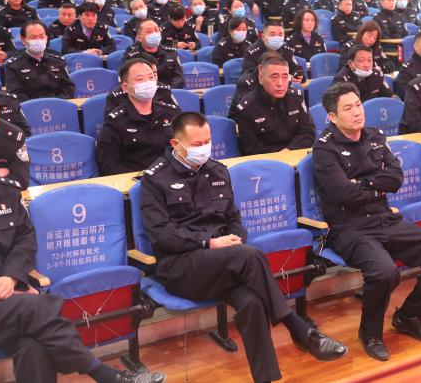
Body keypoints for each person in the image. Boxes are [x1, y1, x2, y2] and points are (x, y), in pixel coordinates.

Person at [0, 125, 164, 383]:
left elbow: (25, 240)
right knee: (39, 310)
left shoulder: (4, 190)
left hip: (12, 301)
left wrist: (11, 278)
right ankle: (106, 376)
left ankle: (109, 378)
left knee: (36, 340)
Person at [140, 112, 346, 382]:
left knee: (252, 302)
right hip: (182, 267)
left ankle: (266, 377)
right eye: (197, 144)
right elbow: (160, 235)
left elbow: (234, 219)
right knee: (249, 256)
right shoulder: (155, 179)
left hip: (225, 263)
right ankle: (297, 327)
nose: (204, 148)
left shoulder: (217, 170)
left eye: (207, 141)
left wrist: (235, 238)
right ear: (176, 145)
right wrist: (209, 243)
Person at [313, 82, 421, 360]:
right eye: (348, 108)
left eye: (358, 105)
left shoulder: (374, 136)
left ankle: (409, 315)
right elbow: (343, 193)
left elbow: (395, 178)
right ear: (332, 116)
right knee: (384, 272)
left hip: (385, 218)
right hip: (350, 227)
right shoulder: (324, 148)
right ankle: (370, 333)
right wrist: (376, 186)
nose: (357, 112)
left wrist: (363, 183)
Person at [96, 58, 181, 176]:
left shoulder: (171, 112)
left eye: (151, 77)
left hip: (171, 177)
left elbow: (184, 148)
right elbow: (108, 164)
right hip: (135, 180)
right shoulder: (115, 121)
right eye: (140, 79)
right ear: (125, 87)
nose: (148, 83)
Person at [230, 52, 315, 155]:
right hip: (265, 161)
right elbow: (252, 147)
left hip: (294, 154)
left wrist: (289, 150)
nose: (280, 84)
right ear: (261, 78)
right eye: (274, 77)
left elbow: (308, 132)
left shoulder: (296, 97)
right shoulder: (247, 107)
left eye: (285, 77)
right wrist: (281, 155)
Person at [5, 20, 76, 101]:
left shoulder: (59, 61)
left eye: (41, 37)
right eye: (33, 37)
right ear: (23, 39)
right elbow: (16, 93)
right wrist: (39, 104)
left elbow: (68, 88)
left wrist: (55, 102)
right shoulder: (13, 65)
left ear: (47, 38)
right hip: (29, 106)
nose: (38, 40)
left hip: (57, 104)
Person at [124, 19, 185, 89]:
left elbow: (179, 78)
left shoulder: (170, 52)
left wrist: (167, 90)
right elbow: (129, 81)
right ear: (139, 38)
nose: (154, 34)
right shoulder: (132, 57)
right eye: (149, 31)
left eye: (156, 30)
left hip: (169, 91)